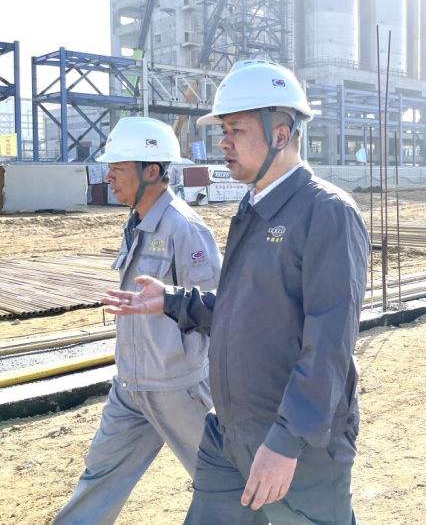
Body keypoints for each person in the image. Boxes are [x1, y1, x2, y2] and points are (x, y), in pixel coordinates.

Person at [102, 60, 369, 523]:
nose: (222, 142)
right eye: (223, 130)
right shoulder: (253, 206)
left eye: (236, 130)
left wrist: (286, 441)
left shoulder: (326, 212)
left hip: (298, 442)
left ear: (281, 135)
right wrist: (172, 300)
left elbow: (329, 343)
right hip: (228, 432)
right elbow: (245, 309)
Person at [55, 117, 221, 524]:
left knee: (223, 482)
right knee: (99, 478)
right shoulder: (137, 223)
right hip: (130, 385)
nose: (108, 176)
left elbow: (219, 309)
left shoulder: (184, 229)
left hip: (177, 387)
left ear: (152, 171)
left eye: (118, 167)